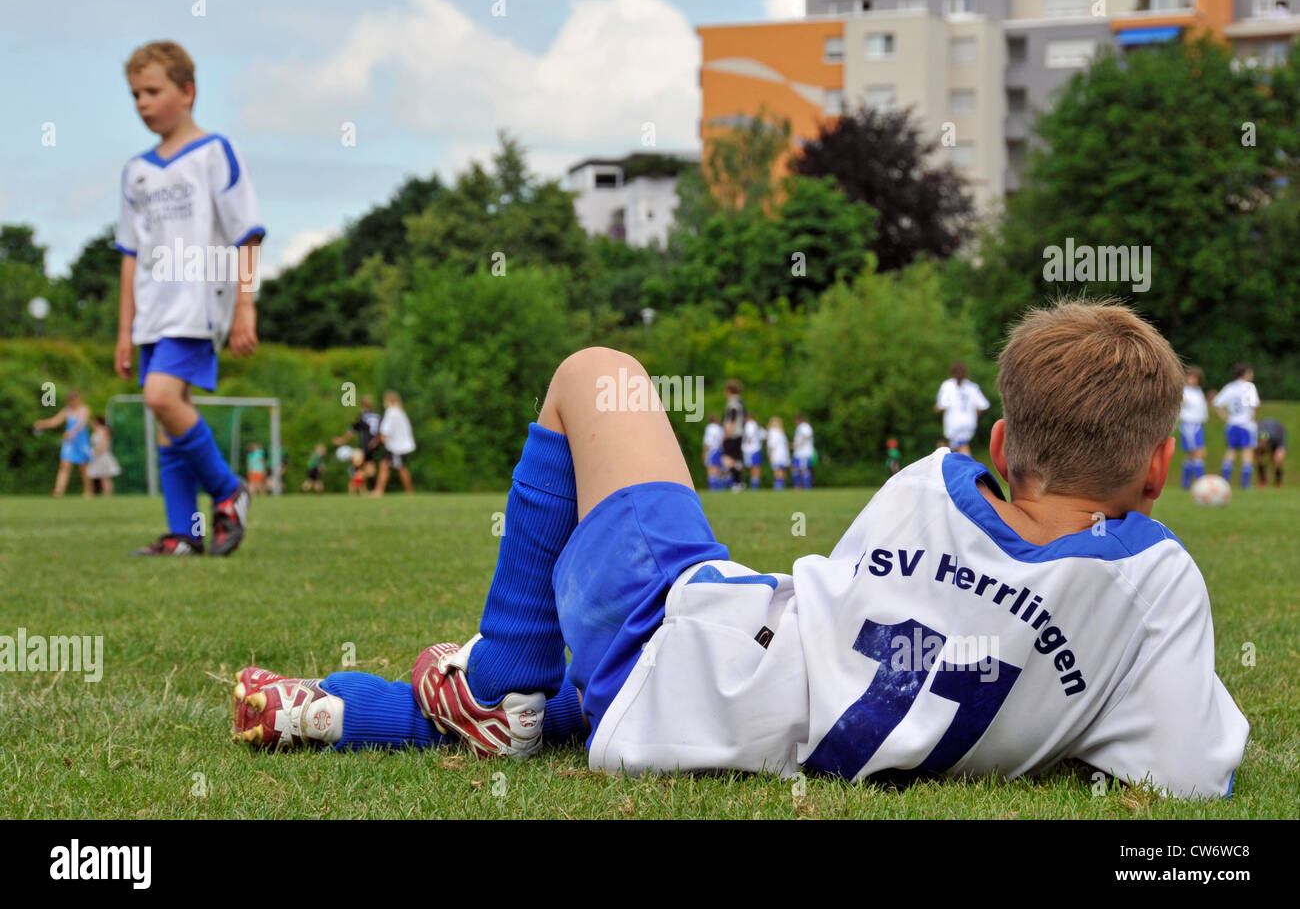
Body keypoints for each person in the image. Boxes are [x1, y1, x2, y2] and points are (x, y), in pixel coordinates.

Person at [231, 300, 1248, 800]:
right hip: (697, 718)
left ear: (996, 444)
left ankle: (496, 682)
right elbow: (1183, 774)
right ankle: (369, 703)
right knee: (604, 700)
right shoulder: (1155, 580)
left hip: (689, 635)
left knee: (598, 375)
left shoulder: (925, 485)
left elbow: (847, 629)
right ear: (1158, 471)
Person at [113, 40, 261, 557]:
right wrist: (124, 331)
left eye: (153, 91)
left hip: (197, 306)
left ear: (187, 91)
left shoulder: (214, 153)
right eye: (135, 94)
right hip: (151, 313)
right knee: (166, 417)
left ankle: (228, 491)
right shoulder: (136, 171)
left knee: (160, 397)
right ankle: (183, 533)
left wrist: (246, 305)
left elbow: (247, 233)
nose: (142, 103)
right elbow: (130, 253)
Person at [32, 391, 93, 498]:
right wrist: (43, 424)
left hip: (81, 443)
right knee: (64, 466)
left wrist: (72, 432)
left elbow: (82, 423)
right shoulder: (67, 411)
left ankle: (88, 491)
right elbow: (55, 421)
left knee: (83, 468)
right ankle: (58, 491)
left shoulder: (84, 409)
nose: (71, 403)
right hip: (69, 443)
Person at [1214, 363, 1260, 489]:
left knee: (1231, 450)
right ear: (1245, 373)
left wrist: (1226, 417)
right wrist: (1253, 417)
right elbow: (1254, 404)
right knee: (1247, 451)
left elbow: (1217, 403)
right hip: (1246, 424)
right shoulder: (1249, 387)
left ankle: (1225, 481)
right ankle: (1245, 484)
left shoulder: (1230, 387)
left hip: (1232, 423)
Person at [935, 362, 990, 456]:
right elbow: (983, 406)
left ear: (951, 373)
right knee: (960, 446)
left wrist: (936, 408)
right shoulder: (972, 387)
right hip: (969, 422)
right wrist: (974, 415)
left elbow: (940, 406)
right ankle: (948, 454)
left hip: (953, 423)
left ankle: (965, 464)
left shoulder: (947, 385)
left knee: (959, 447)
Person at [332, 397, 381, 490]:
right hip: (375, 444)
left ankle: (354, 488)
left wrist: (341, 440)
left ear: (362, 405)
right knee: (369, 466)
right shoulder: (377, 416)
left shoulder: (362, 416)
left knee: (357, 467)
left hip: (365, 443)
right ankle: (374, 489)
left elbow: (352, 431)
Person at [372, 391, 415, 496]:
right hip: (401, 445)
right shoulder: (400, 412)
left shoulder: (390, 412)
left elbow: (385, 430)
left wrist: (381, 440)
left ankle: (379, 490)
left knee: (386, 466)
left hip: (394, 446)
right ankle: (410, 492)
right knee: (399, 467)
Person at [1178, 366, 1209, 489]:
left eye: (1194, 377)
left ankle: (1186, 484)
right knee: (1198, 452)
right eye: (1190, 376)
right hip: (1189, 425)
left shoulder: (1198, 391)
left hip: (1198, 425)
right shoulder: (1184, 391)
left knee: (1192, 456)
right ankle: (1199, 482)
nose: (1192, 379)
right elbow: (1181, 400)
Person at [87, 416, 123, 495]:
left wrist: (97, 452)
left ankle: (107, 494)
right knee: (95, 475)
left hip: (102, 456)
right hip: (96, 456)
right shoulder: (96, 431)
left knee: (104, 477)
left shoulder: (103, 430)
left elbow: (104, 444)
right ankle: (92, 493)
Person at [721, 380, 746, 491]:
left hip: (733, 435)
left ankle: (737, 482)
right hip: (739, 434)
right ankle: (738, 482)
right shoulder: (740, 402)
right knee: (735, 459)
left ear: (729, 391)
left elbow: (732, 421)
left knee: (727, 458)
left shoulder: (733, 404)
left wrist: (726, 435)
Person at [1254, 419, 1287, 488]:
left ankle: (1278, 481)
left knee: (1278, 459)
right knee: (1258, 457)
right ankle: (1262, 480)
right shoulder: (1262, 433)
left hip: (1277, 442)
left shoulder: (1276, 435)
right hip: (1266, 440)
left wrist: (1275, 455)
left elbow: (1282, 445)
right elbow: (1261, 443)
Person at [741, 414, 766, 490]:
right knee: (756, 467)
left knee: (753, 468)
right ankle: (755, 486)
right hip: (756, 449)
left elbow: (750, 435)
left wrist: (749, 441)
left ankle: (754, 487)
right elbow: (764, 436)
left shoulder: (750, 424)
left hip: (750, 450)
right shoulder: (757, 425)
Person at [701, 413, 725, 491]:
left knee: (711, 469)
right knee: (718, 469)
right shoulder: (719, 428)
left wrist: (704, 453)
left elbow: (708, 442)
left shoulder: (709, 428)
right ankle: (719, 488)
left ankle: (713, 488)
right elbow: (722, 441)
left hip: (711, 450)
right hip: (719, 450)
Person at [766, 417, 791, 490]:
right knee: (782, 470)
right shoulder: (781, 433)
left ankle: (778, 487)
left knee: (777, 471)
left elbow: (772, 445)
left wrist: (770, 456)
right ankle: (782, 486)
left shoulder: (772, 432)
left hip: (776, 455)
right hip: (784, 455)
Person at [792, 414, 815, 489]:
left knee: (804, 469)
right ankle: (798, 486)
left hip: (804, 452)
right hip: (799, 453)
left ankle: (807, 487)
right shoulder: (800, 427)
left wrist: (800, 444)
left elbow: (807, 435)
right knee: (795, 468)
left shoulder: (804, 426)